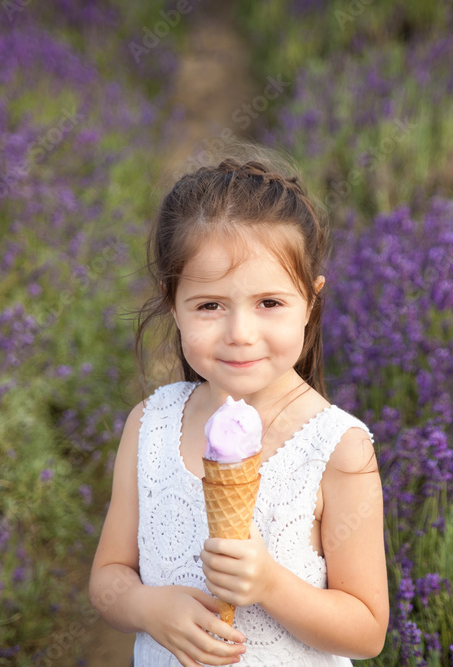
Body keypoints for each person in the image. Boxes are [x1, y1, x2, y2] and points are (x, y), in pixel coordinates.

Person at [89, 144, 389, 666]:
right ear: (173, 303)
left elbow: (366, 632)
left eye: (270, 303)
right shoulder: (149, 426)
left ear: (311, 302)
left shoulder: (338, 448)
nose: (240, 334)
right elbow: (108, 577)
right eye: (210, 305)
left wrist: (271, 583)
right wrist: (145, 606)